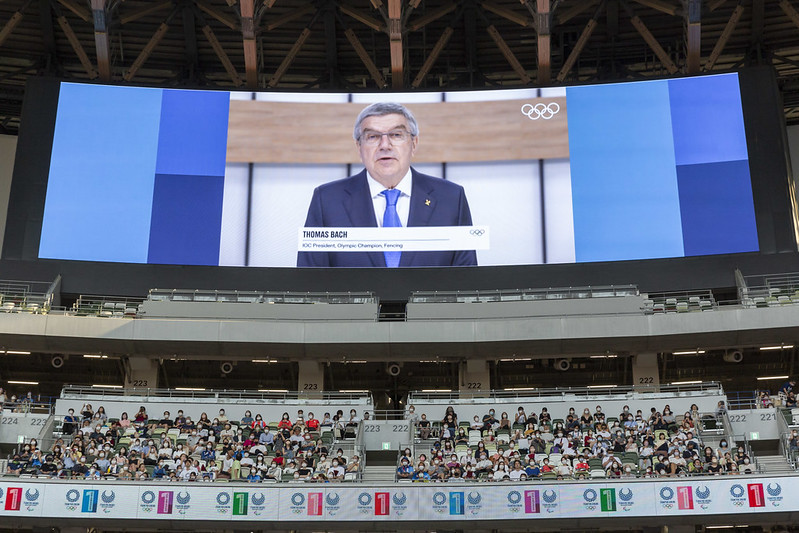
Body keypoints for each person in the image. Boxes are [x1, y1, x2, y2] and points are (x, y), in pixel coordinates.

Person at [297, 102, 477, 268]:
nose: (385, 145)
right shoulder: (327, 200)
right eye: (373, 136)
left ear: (414, 143)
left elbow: (466, 282)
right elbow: (311, 283)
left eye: (396, 135)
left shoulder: (451, 198)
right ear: (359, 147)